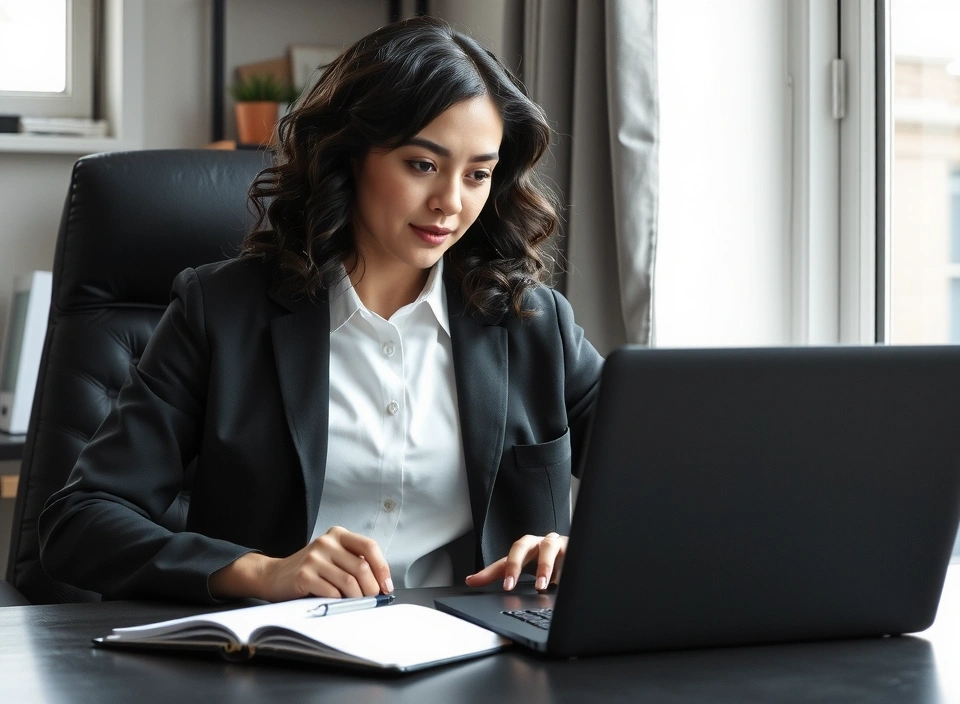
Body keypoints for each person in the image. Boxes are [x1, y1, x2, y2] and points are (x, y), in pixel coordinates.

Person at [38, 15, 602, 604]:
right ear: (350, 155)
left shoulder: (535, 323)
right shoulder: (221, 313)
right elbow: (79, 522)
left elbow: (667, 487)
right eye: (422, 165)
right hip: (281, 665)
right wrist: (261, 572)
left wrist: (578, 549)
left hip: (484, 666)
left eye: (478, 174)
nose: (450, 203)